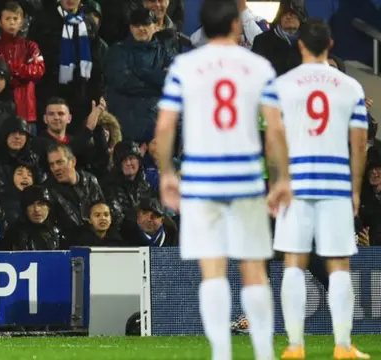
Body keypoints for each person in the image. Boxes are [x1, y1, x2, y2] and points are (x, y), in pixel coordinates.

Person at [154, 1, 292, 359]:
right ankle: (263, 351)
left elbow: (167, 123)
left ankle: (221, 353)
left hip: (202, 177)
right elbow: (275, 128)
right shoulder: (257, 66)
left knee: (213, 268)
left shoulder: (185, 65)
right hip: (245, 176)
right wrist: (280, 178)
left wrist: (167, 173)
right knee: (253, 267)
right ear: (235, 25)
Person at [272, 19, 370, 359]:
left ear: (300, 46)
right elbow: (359, 145)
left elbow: (274, 139)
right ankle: (342, 346)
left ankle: (295, 347)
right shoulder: (350, 87)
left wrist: (276, 183)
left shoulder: (282, 85)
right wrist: (356, 190)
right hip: (335, 185)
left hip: (296, 183)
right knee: (338, 265)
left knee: (294, 264)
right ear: (330, 45)